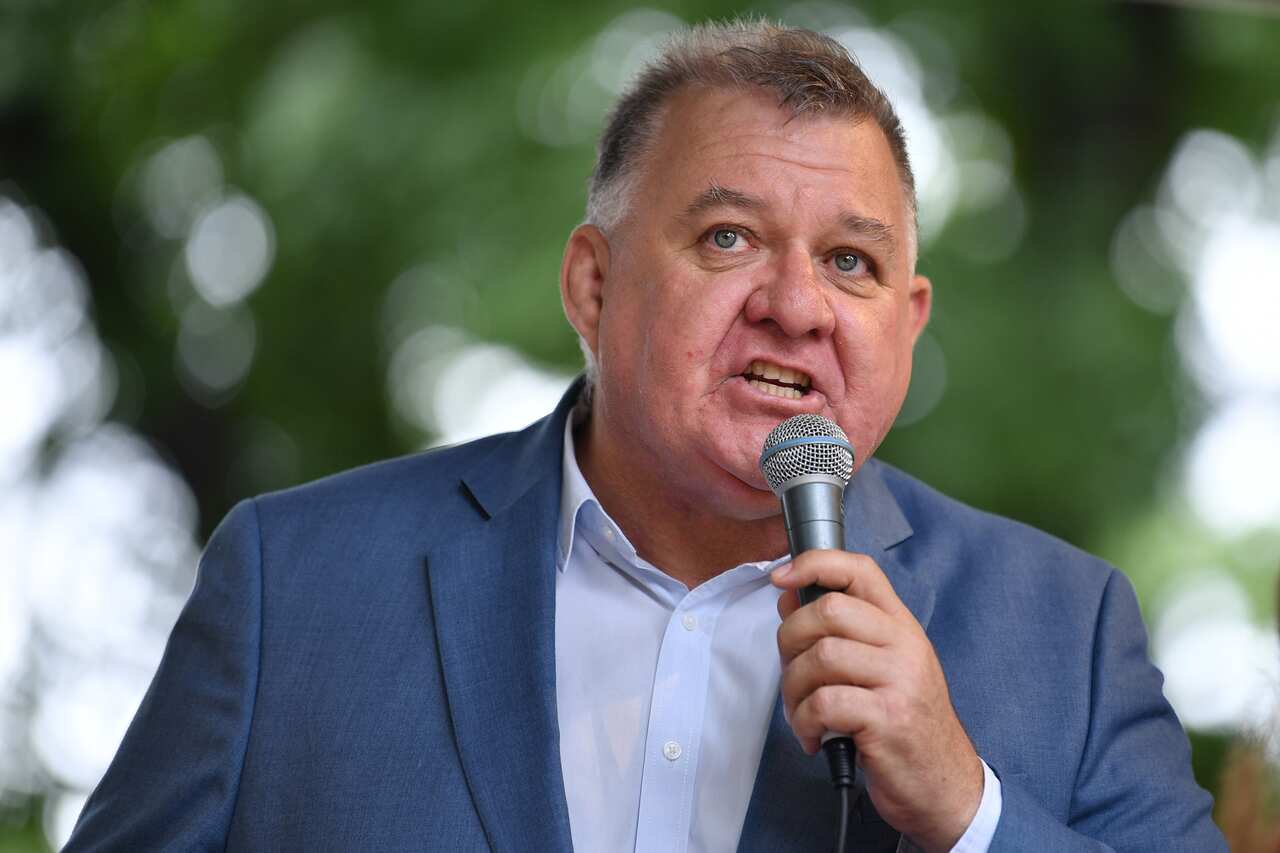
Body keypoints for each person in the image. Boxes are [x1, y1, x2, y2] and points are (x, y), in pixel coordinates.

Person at [65, 21, 1226, 852]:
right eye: (728, 239)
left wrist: (967, 812)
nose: (796, 303)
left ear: (906, 325)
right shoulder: (295, 586)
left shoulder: (1066, 633)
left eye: (850, 262)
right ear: (592, 284)